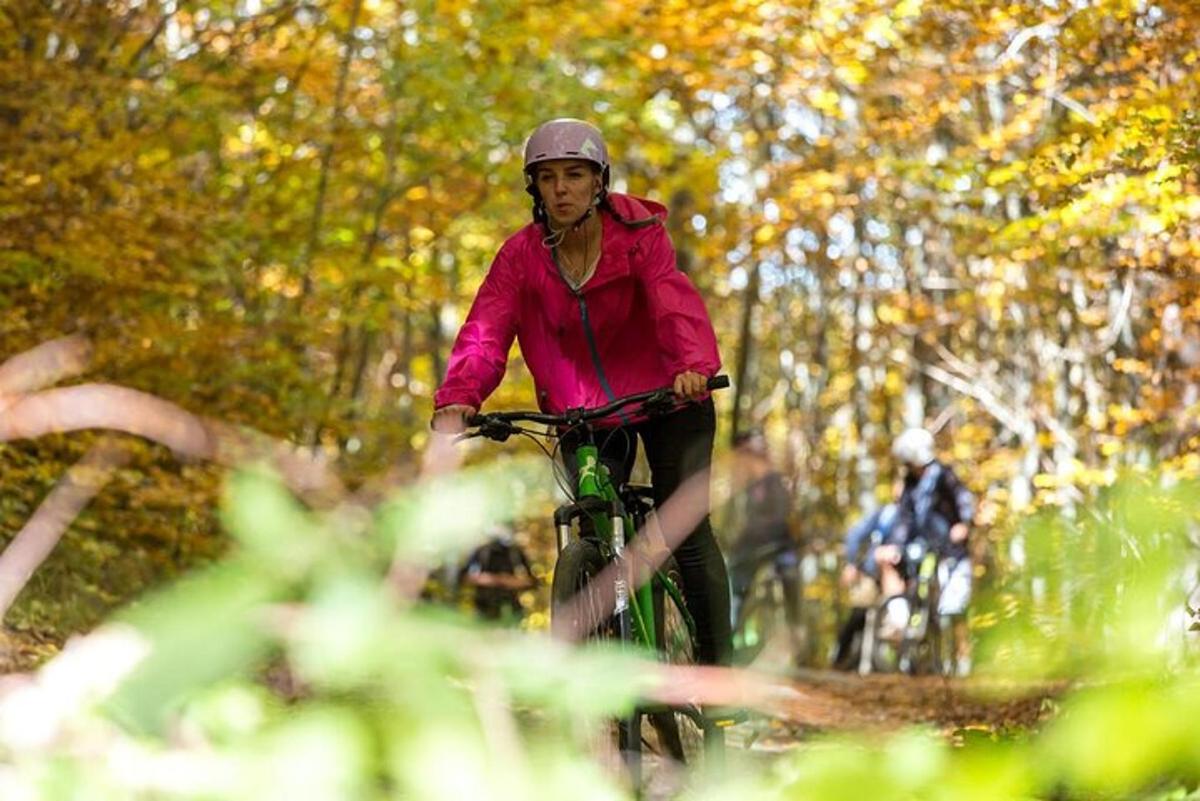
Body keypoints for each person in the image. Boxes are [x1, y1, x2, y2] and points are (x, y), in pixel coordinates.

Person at [430, 118, 731, 665]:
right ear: (534, 187)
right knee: (591, 519)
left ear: (599, 182)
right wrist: (461, 394)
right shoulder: (520, 257)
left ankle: (716, 678)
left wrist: (692, 364)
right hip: (585, 414)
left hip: (670, 396)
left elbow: (671, 300)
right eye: (548, 178)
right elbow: (486, 330)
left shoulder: (639, 236)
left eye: (574, 175)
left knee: (685, 527)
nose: (561, 189)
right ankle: (597, 662)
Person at [874, 427, 976, 675]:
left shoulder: (944, 476)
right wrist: (895, 546)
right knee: (916, 588)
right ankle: (919, 650)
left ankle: (962, 658)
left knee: (954, 607)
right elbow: (904, 519)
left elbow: (964, 500)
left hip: (951, 551)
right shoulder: (911, 483)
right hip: (923, 548)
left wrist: (963, 524)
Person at [725, 428, 796, 631]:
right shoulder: (743, 485)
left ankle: (794, 632)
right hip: (750, 549)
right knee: (735, 586)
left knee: (790, 577)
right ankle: (729, 634)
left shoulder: (773, 480)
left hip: (778, 546)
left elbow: (781, 514)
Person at [831, 501, 897, 670]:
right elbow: (855, 535)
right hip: (870, 575)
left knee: (886, 621)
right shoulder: (884, 513)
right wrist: (852, 563)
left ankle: (874, 663)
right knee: (859, 615)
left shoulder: (912, 514)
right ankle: (841, 658)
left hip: (894, 578)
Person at [458, 524, 536, 623]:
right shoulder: (481, 551)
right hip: (484, 607)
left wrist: (509, 581)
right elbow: (464, 577)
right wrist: (491, 579)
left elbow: (531, 581)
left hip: (510, 607)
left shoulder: (515, 552)